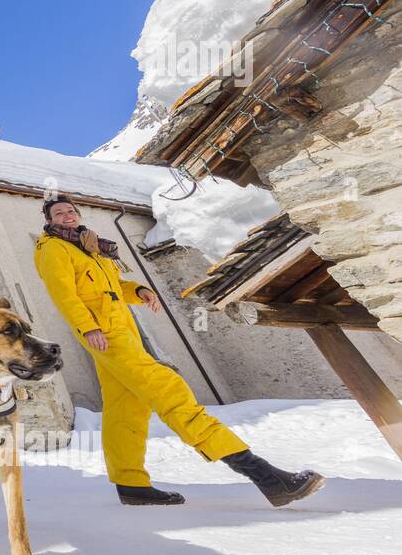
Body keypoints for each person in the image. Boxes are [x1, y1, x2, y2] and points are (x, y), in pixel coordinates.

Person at [33, 195, 323, 507]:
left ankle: (131, 484)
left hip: (124, 332)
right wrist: (87, 328)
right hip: (104, 334)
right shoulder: (52, 248)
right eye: (59, 213)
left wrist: (140, 291)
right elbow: (63, 294)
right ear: (49, 222)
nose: (66, 216)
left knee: (126, 408)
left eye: (70, 211)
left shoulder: (91, 248)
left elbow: (116, 287)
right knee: (168, 389)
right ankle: (264, 475)